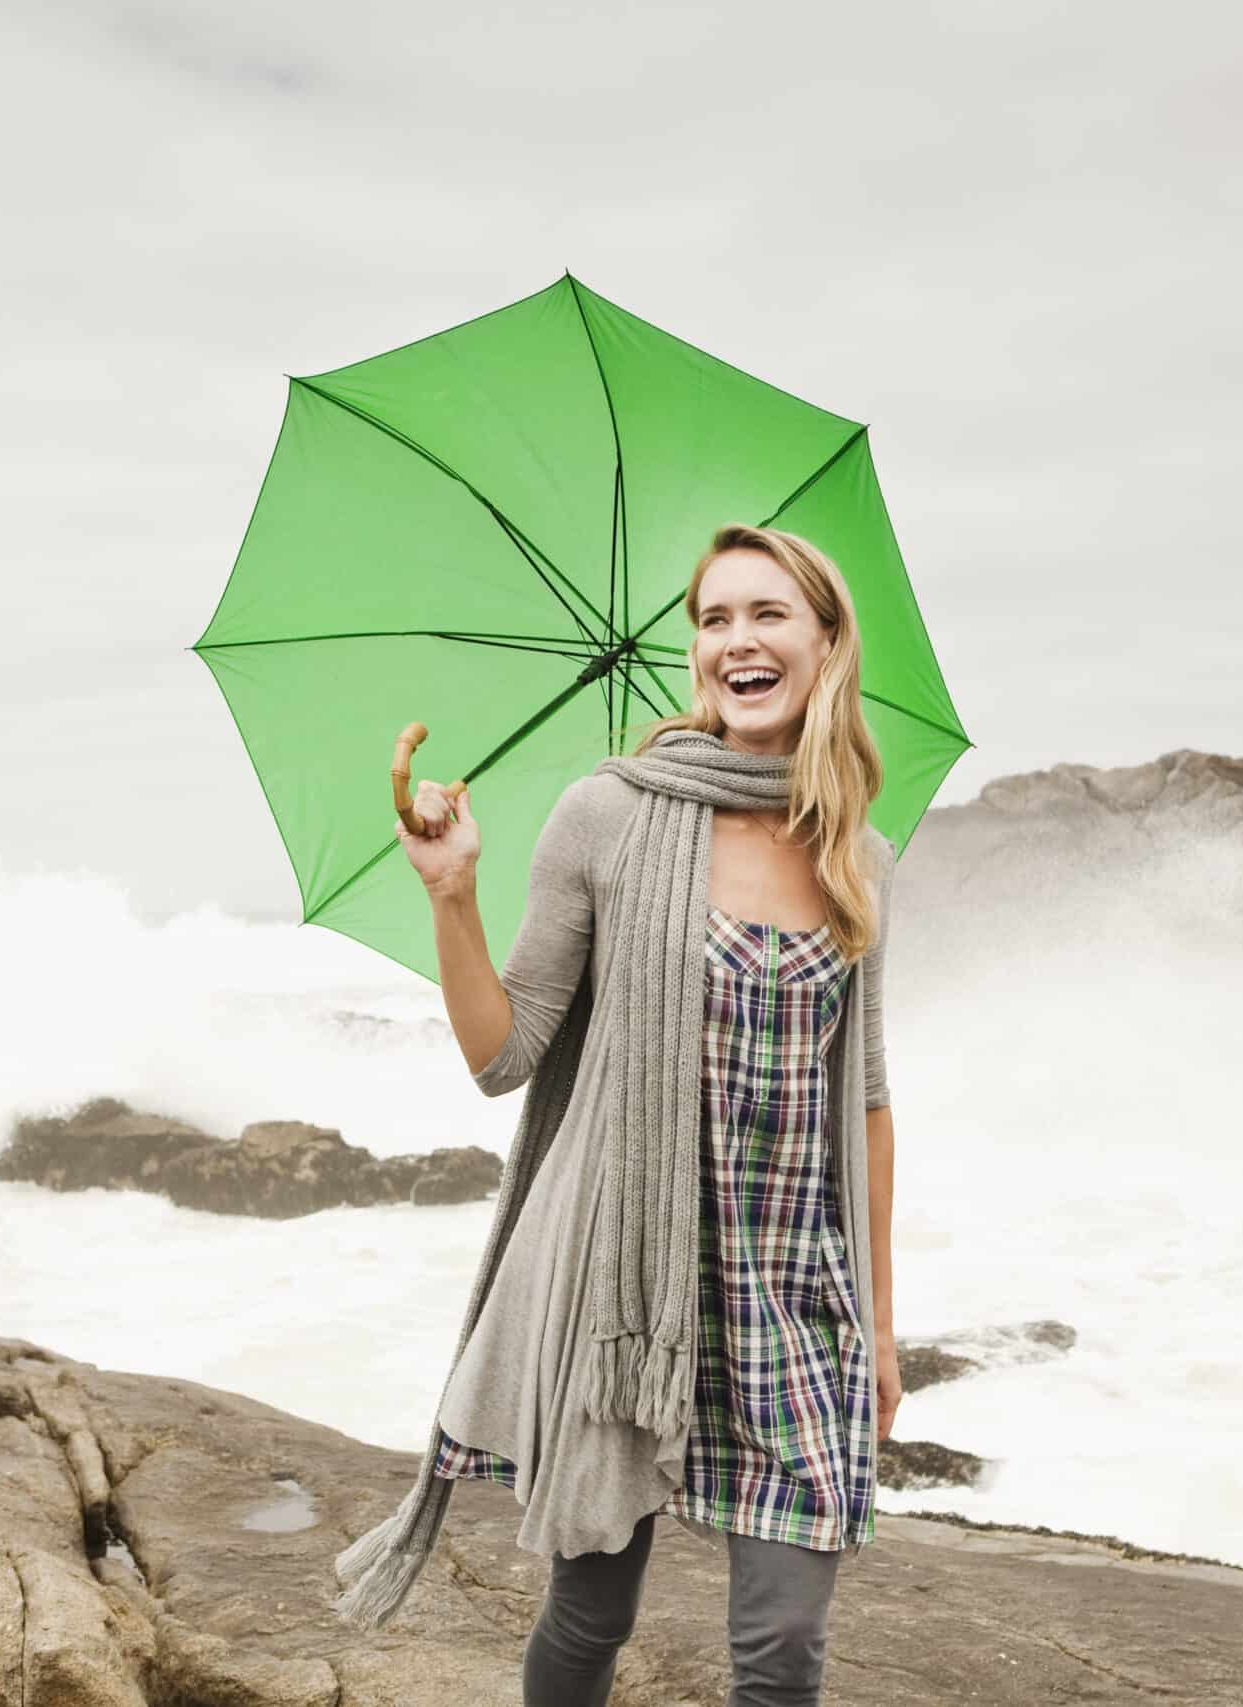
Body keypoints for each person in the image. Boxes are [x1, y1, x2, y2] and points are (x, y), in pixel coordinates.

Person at [343, 522, 902, 1706]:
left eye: (767, 615)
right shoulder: (607, 815)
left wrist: (883, 1327)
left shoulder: (861, 856)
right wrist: (454, 899)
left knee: (783, 1653)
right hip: (626, 1293)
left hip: (793, 1301)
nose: (736, 642)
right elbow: (508, 1054)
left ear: (827, 642)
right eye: (712, 619)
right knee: (589, 1616)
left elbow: (866, 1103)